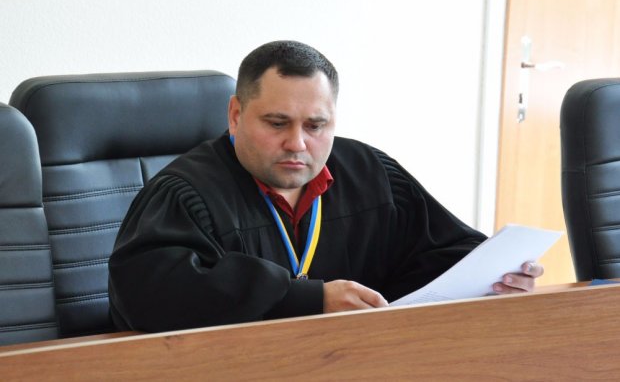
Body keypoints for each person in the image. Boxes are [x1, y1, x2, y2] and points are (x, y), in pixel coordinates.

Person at [108, 40, 544, 332]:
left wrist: (496, 280)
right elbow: (150, 296)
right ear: (236, 115)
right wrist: (306, 299)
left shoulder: (371, 173)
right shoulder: (185, 194)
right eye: (277, 123)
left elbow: (441, 255)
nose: (297, 144)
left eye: (316, 126)